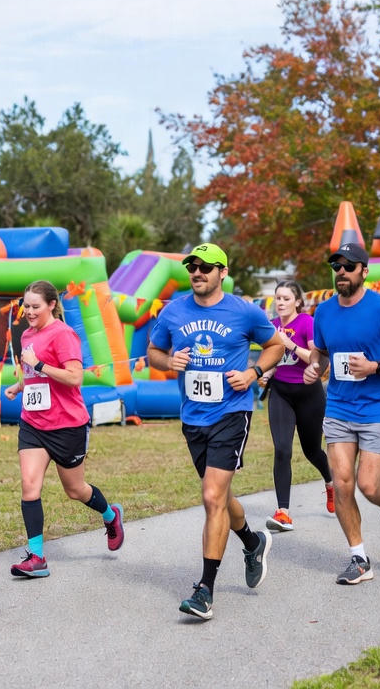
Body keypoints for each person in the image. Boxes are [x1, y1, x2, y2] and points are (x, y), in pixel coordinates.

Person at [147, 243, 285, 621]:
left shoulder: (244, 311)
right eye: (193, 266)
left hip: (231, 412)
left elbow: (275, 345)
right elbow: (153, 352)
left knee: (211, 496)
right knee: (220, 497)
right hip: (193, 417)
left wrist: (253, 373)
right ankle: (253, 542)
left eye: (206, 267)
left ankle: (205, 590)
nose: (198, 272)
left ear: (223, 272)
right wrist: (168, 360)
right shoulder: (174, 311)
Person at [302, 242, 380, 586]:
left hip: (378, 407)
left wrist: (376, 366)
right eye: (336, 266)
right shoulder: (323, 312)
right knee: (342, 483)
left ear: (364, 271)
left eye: (348, 266)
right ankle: (359, 557)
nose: (341, 272)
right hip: (339, 405)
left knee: (369, 486)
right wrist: (314, 368)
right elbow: (321, 353)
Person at [2, 280, 124, 579]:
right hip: (33, 423)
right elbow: (31, 373)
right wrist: (19, 386)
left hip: (67, 425)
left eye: (35, 306)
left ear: (51, 305)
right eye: (25, 306)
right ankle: (37, 557)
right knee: (29, 485)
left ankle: (110, 515)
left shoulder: (63, 334)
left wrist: (40, 364)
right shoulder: (27, 334)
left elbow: (74, 378)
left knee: (75, 490)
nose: (28, 312)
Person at [259, 279, 333, 532]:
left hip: (309, 394)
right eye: (277, 298)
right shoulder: (272, 327)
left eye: (286, 298)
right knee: (282, 449)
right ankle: (283, 512)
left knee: (312, 450)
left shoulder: (307, 323)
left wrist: (289, 344)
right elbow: (273, 360)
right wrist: (265, 374)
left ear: (298, 302)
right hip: (281, 393)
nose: (280, 303)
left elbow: (316, 359)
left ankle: (331, 481)